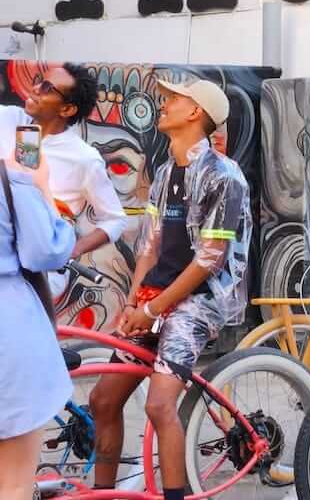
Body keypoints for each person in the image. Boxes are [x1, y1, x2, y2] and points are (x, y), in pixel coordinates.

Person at [88, 78, 252, 499]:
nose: (164, 104)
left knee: (160, 405)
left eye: (174, 99)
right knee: (104, 400)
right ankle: (100, 494)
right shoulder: (163, 172)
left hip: (199, 302)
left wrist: (155, 308)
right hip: (156, 298)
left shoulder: (224, 176)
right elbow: (149, 245)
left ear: (196, 112)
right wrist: (133, 301)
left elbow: (208, 260)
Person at [0, 64, 126, 292]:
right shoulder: (6, 118)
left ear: (67, 109)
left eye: (47, 87)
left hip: (39, 272)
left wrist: (71, 250)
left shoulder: (84, 158)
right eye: (39, 80)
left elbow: (115, 219)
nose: (36, 87)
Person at [0, 151, 76, 500]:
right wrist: (41, 187)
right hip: (9, 333)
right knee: (13, 485)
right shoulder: (12, 179)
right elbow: (45, 251)